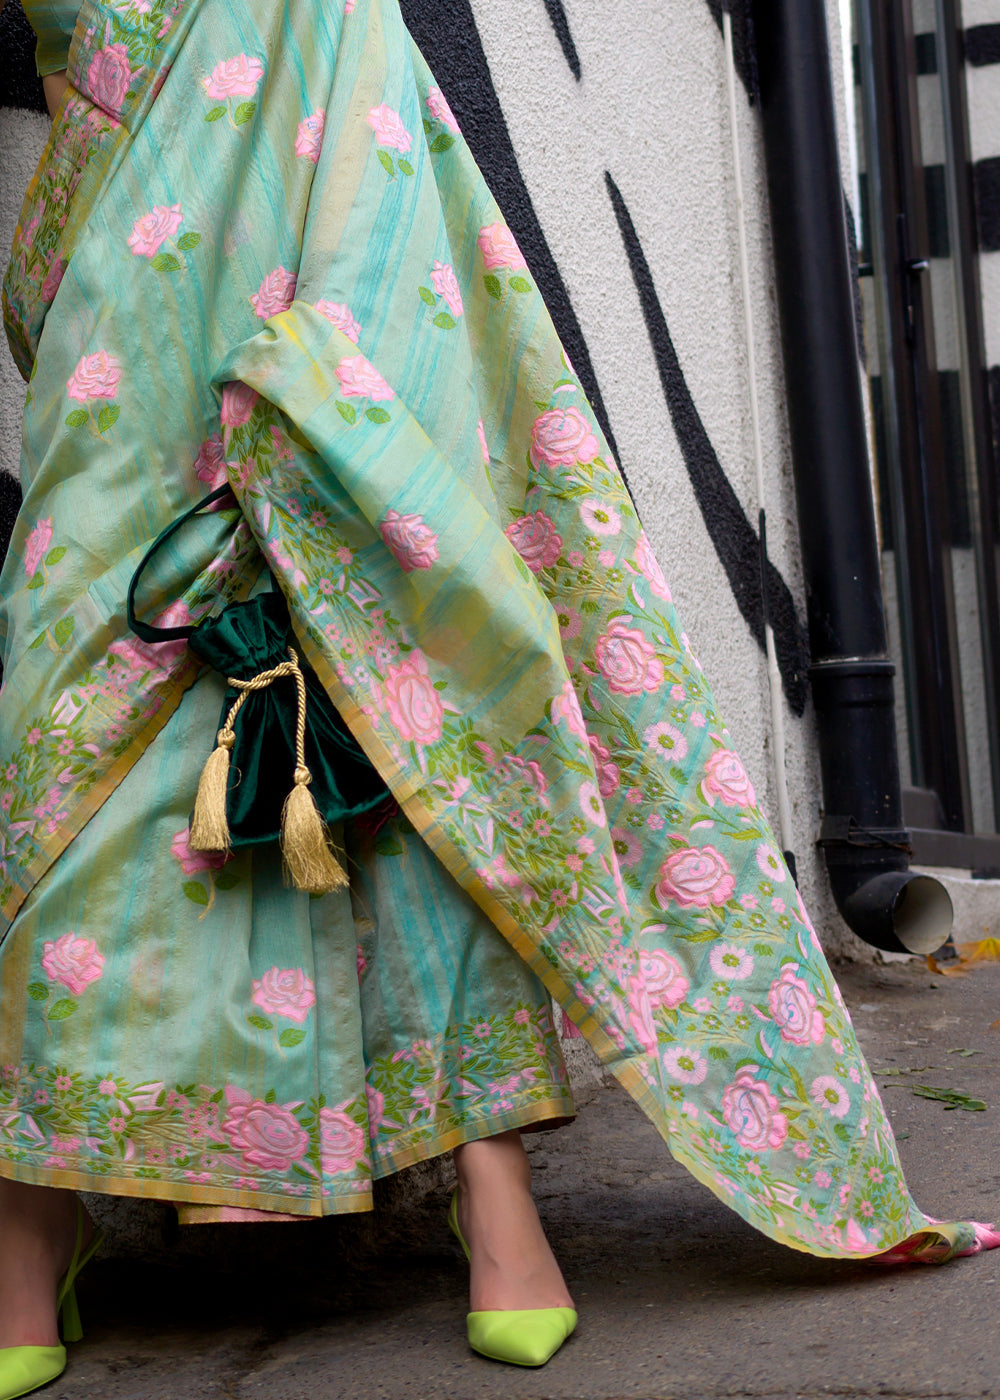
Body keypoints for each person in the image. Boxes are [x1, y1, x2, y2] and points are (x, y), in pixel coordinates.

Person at [1, 0, 997, 1392]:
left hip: (309, 128)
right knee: (87, 712)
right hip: (113, 242)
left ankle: (490, 1196)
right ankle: (31, 1222)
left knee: (406, 685)